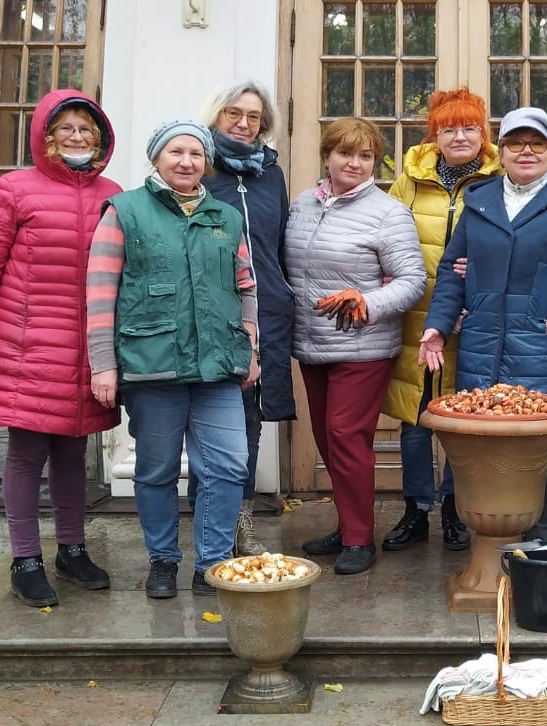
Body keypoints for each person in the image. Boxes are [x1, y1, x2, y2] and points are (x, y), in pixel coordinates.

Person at [0, 90, 121, 607]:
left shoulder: (114, 192)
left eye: (86, 129)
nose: (77, 136)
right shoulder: (13, 190)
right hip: (27, 350)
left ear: (100, 137)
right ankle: (25, 560)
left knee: (73, 452)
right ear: (45, 134)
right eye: (65, 127)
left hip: (88, 350)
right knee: (26, 454)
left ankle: (71, 550)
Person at [86, 119, 259, 600]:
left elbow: (246, 288)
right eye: (176, 152)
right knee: (157, 470)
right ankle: (163, 560)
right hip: (151, 365)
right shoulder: (124, 212)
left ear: (207, 162)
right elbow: (100, 295)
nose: (187, 162)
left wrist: (251, 346)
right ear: (157, 157)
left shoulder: (226, 217)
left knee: (227, 466)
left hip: (218, 365)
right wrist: (103, 364)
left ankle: (212, 563)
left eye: (197, 154)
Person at [421, 106, 547, 544]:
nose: (526, 151)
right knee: (479, 446)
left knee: (543, 450)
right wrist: (438, 326)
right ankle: (488, 545)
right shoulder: (479, 200)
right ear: (500, 152)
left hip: (542, 340)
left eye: (536, 143)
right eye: (515, 143)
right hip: (482, 339)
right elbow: (451, 270)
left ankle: (538, 548)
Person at [285, 117, 426, 575]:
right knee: (328, 439)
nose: (355, 163)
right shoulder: (304, 204)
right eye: (346, 153)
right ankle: (349, 524)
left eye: (366, 156)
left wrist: (366, 301)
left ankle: (360, 540)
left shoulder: (388, 212)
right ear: (327, 156)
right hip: (312, 343)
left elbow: (412, 281)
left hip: (363, 346)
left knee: (347, 436)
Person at [380, 88, 503, 553]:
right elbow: (384, 234)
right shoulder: (409, 179)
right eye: (448, 127)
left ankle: (455, 507)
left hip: (475, 319)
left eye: (469, 127)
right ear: (434, 132)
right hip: (414, 316)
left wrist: (481, 284)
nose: (459, 136)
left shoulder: (498, 178)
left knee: (461, 417)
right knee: (415, 417)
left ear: (483, 132)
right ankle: (416, 508)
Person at [194, 80, 296, 556]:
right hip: (210, 314)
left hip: (266, 313)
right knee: (209, 419)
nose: (243, 123)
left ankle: (242, 526)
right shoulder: (196, 165)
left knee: (251, 420)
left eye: (253, 117)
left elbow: (279, 245)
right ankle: (209, 528)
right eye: (234, 113)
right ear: (216, 115)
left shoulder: (270, 173)